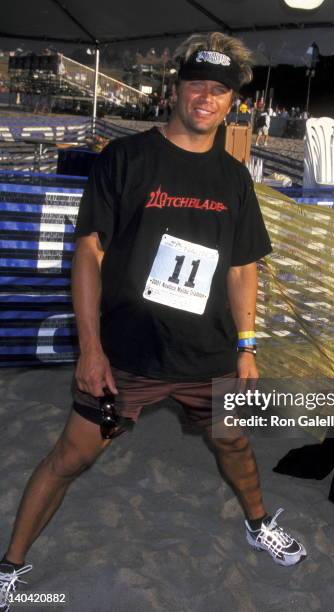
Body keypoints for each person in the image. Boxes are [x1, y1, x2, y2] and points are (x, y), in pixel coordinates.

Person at [0, 31, 306, 606]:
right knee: (71, 456)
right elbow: (88, 253)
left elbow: (243, 267)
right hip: (128, 355)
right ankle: (9, 566)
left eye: (219, 90)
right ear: (177, 88)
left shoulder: (234, 177)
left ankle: (258, 522)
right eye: (197, 84)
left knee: (235, 444)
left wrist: (247, 345)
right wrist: (90, 349)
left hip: (209, 353)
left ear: (232, 101)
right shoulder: (126, 159)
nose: (206, 98)